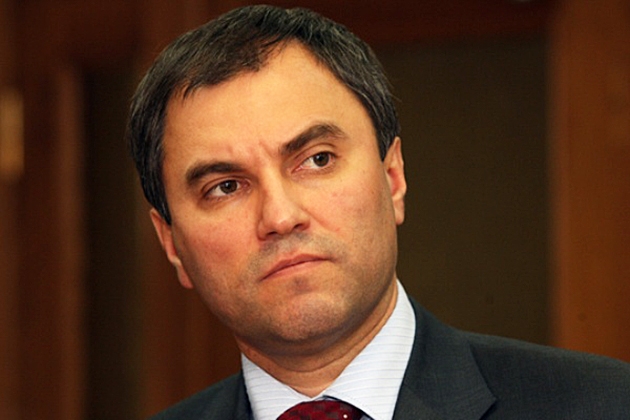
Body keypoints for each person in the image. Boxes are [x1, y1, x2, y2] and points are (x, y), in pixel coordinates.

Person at [127, 5, 630, 419]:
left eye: (317, 160)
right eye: (226, 187)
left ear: (393, 178)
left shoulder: (603, 404)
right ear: (171, 243)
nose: (280, 216)